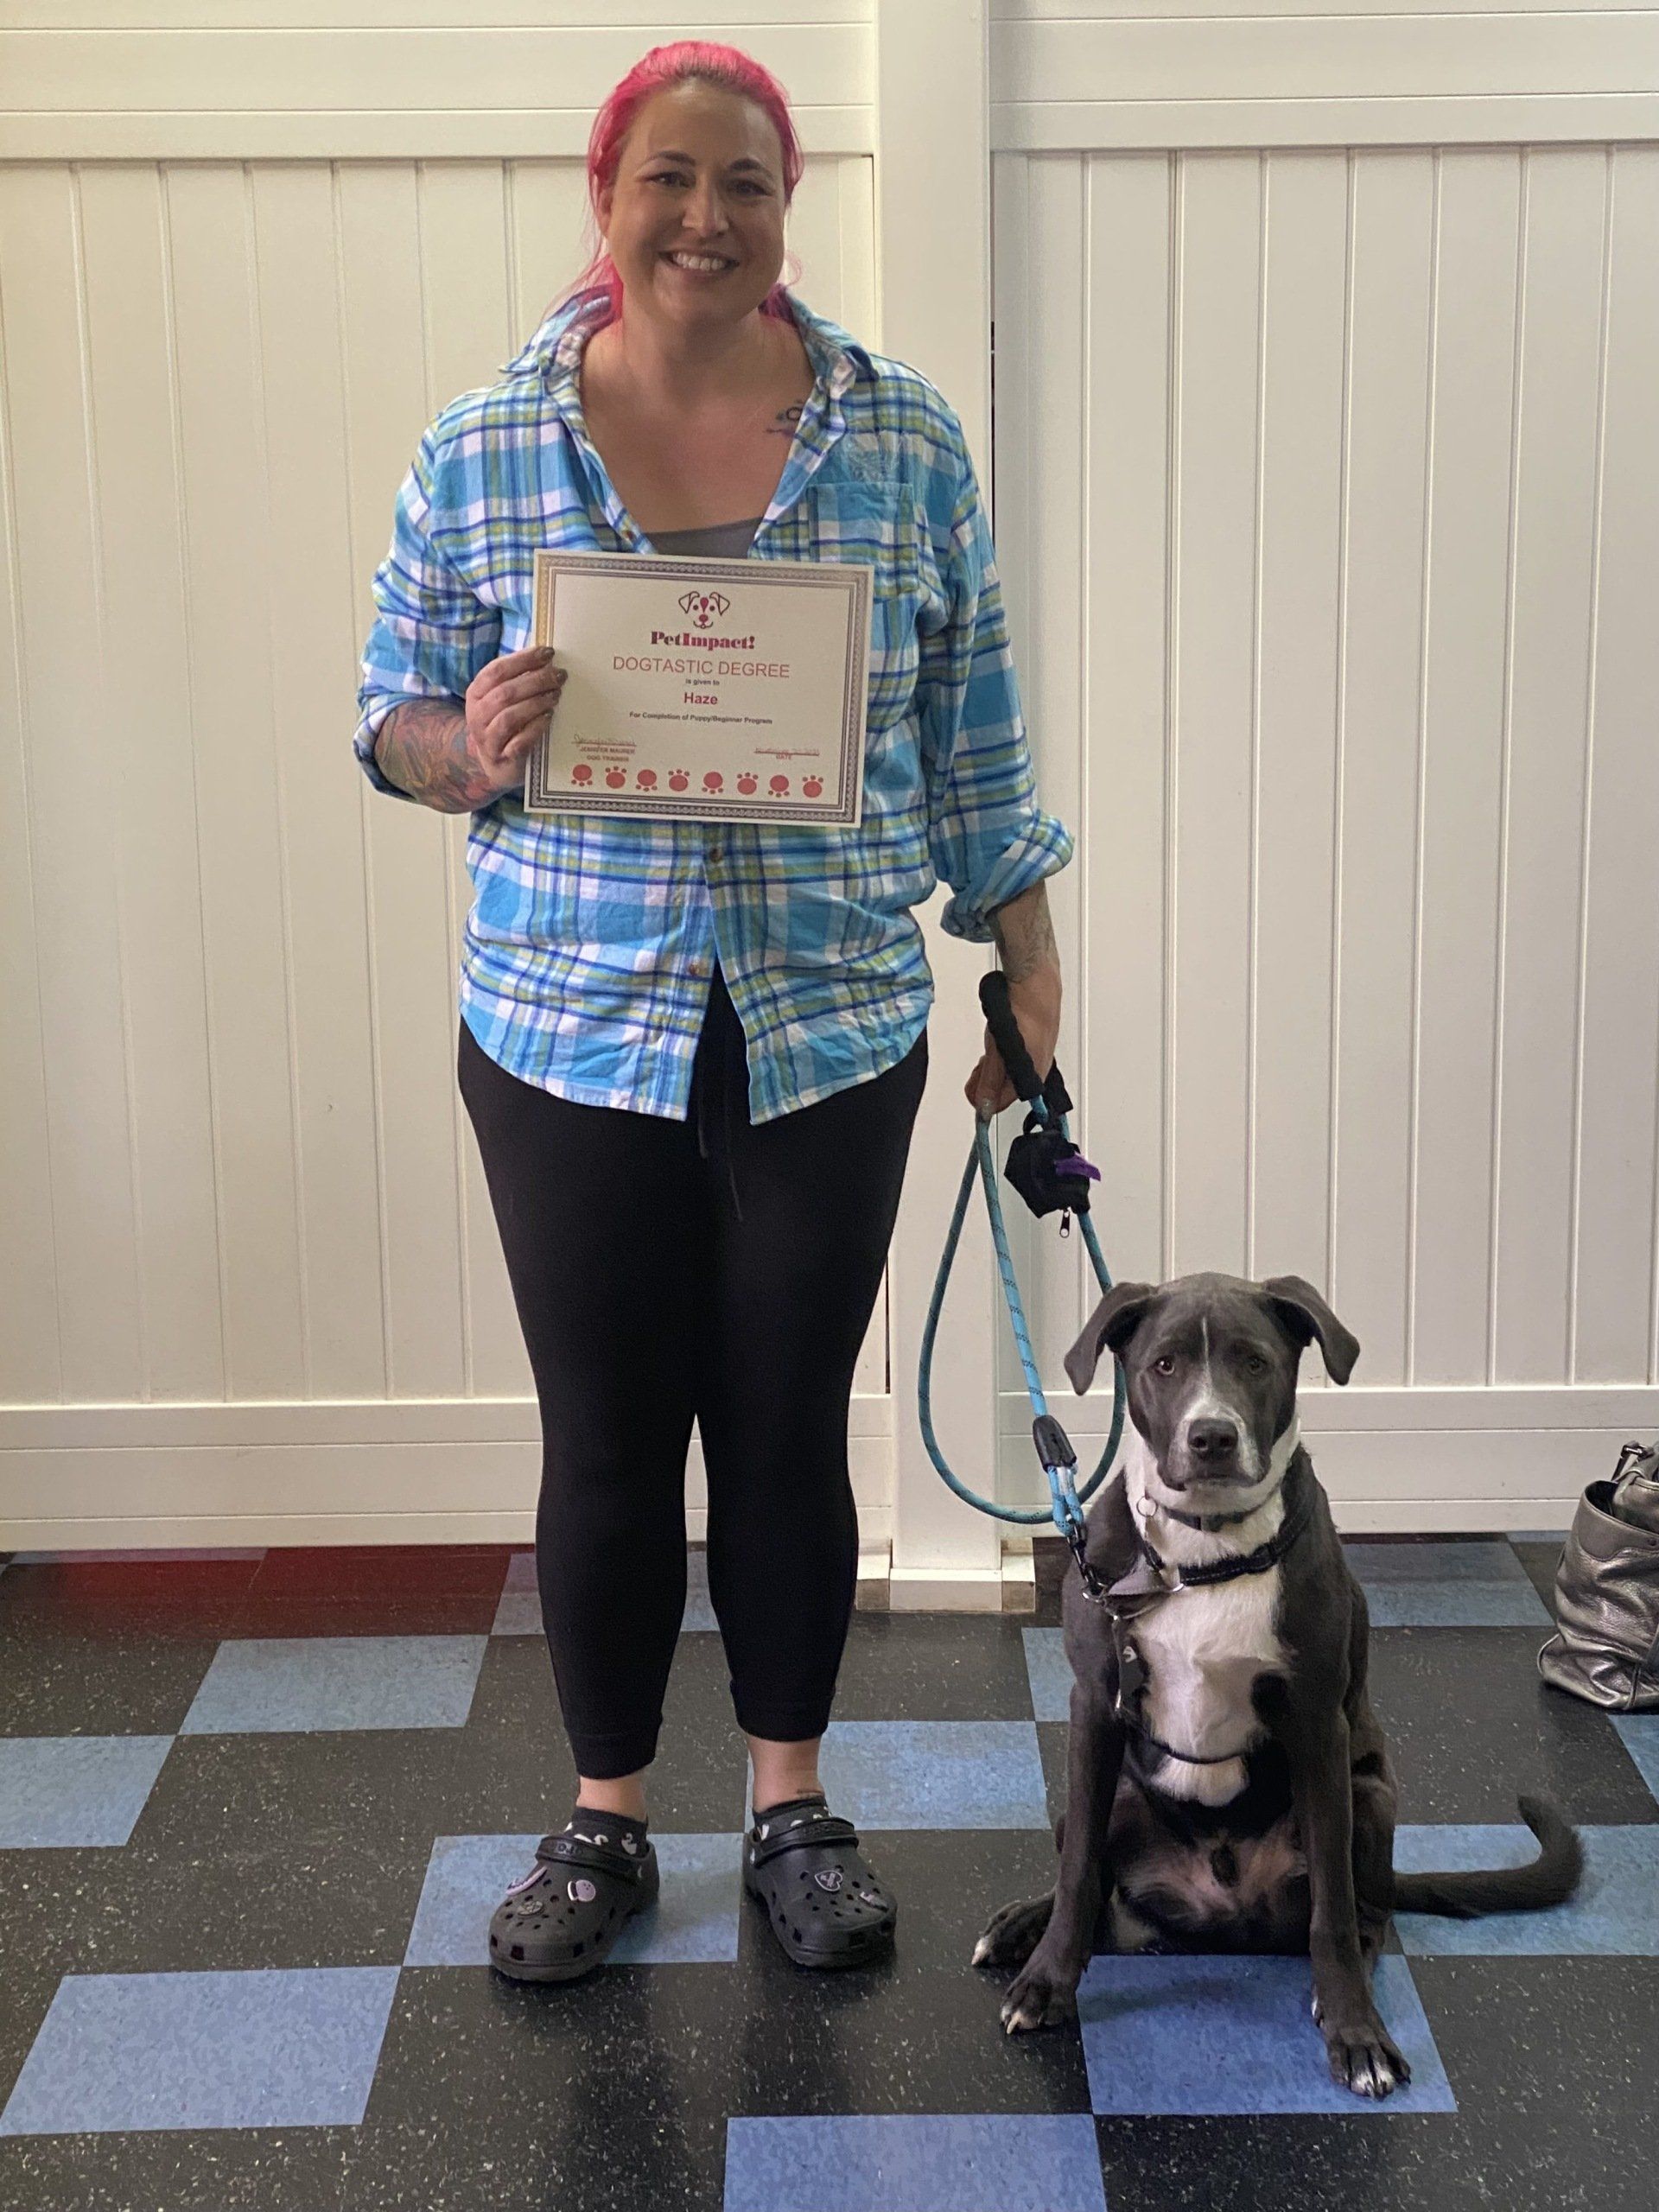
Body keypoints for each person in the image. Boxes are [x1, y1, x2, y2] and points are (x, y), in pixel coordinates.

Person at [353, 39, 1072, 1983]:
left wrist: (1034, 973)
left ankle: (789, 1805)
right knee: (604, 1437)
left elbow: (975, 740)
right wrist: (466, 746)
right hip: (568, 1028)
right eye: (672, 177)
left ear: (786, 208)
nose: (706, 217)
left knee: (779, 1430)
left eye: (746, 183)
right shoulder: (486, 443)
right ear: (610, 195)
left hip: (830, 1025)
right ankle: (600, 1828)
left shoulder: (901, 439)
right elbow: (386, 719)